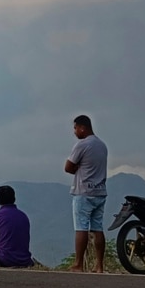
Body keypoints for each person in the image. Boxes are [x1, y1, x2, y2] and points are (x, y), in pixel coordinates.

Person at [64, 114, 108, 273]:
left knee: (81, 227)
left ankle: (78, 264)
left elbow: (68, 167)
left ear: (82, 127)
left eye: (75, 128)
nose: (74, 132)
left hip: (83, 192)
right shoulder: (102, 145)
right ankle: (99, 265)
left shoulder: (82, 145)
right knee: (97, 228)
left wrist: (77, 168)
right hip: (100, 191)